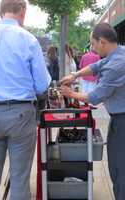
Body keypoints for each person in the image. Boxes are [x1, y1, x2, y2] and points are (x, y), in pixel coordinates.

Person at [0, 0, 51, 199]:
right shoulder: (28, 39)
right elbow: (41, 85)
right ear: (22, 12)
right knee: (19, 179)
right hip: (20, 113)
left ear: (0, 12)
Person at [59, 23, 125, 200]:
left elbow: (96, 96)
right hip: (119, 118)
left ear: (102, 42)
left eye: (93, 44)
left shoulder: (116, 66)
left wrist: (70, 93)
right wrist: (75, 75)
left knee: (120, 168)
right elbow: (96, 66)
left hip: (122, 120)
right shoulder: (118, 53)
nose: (92, 49)